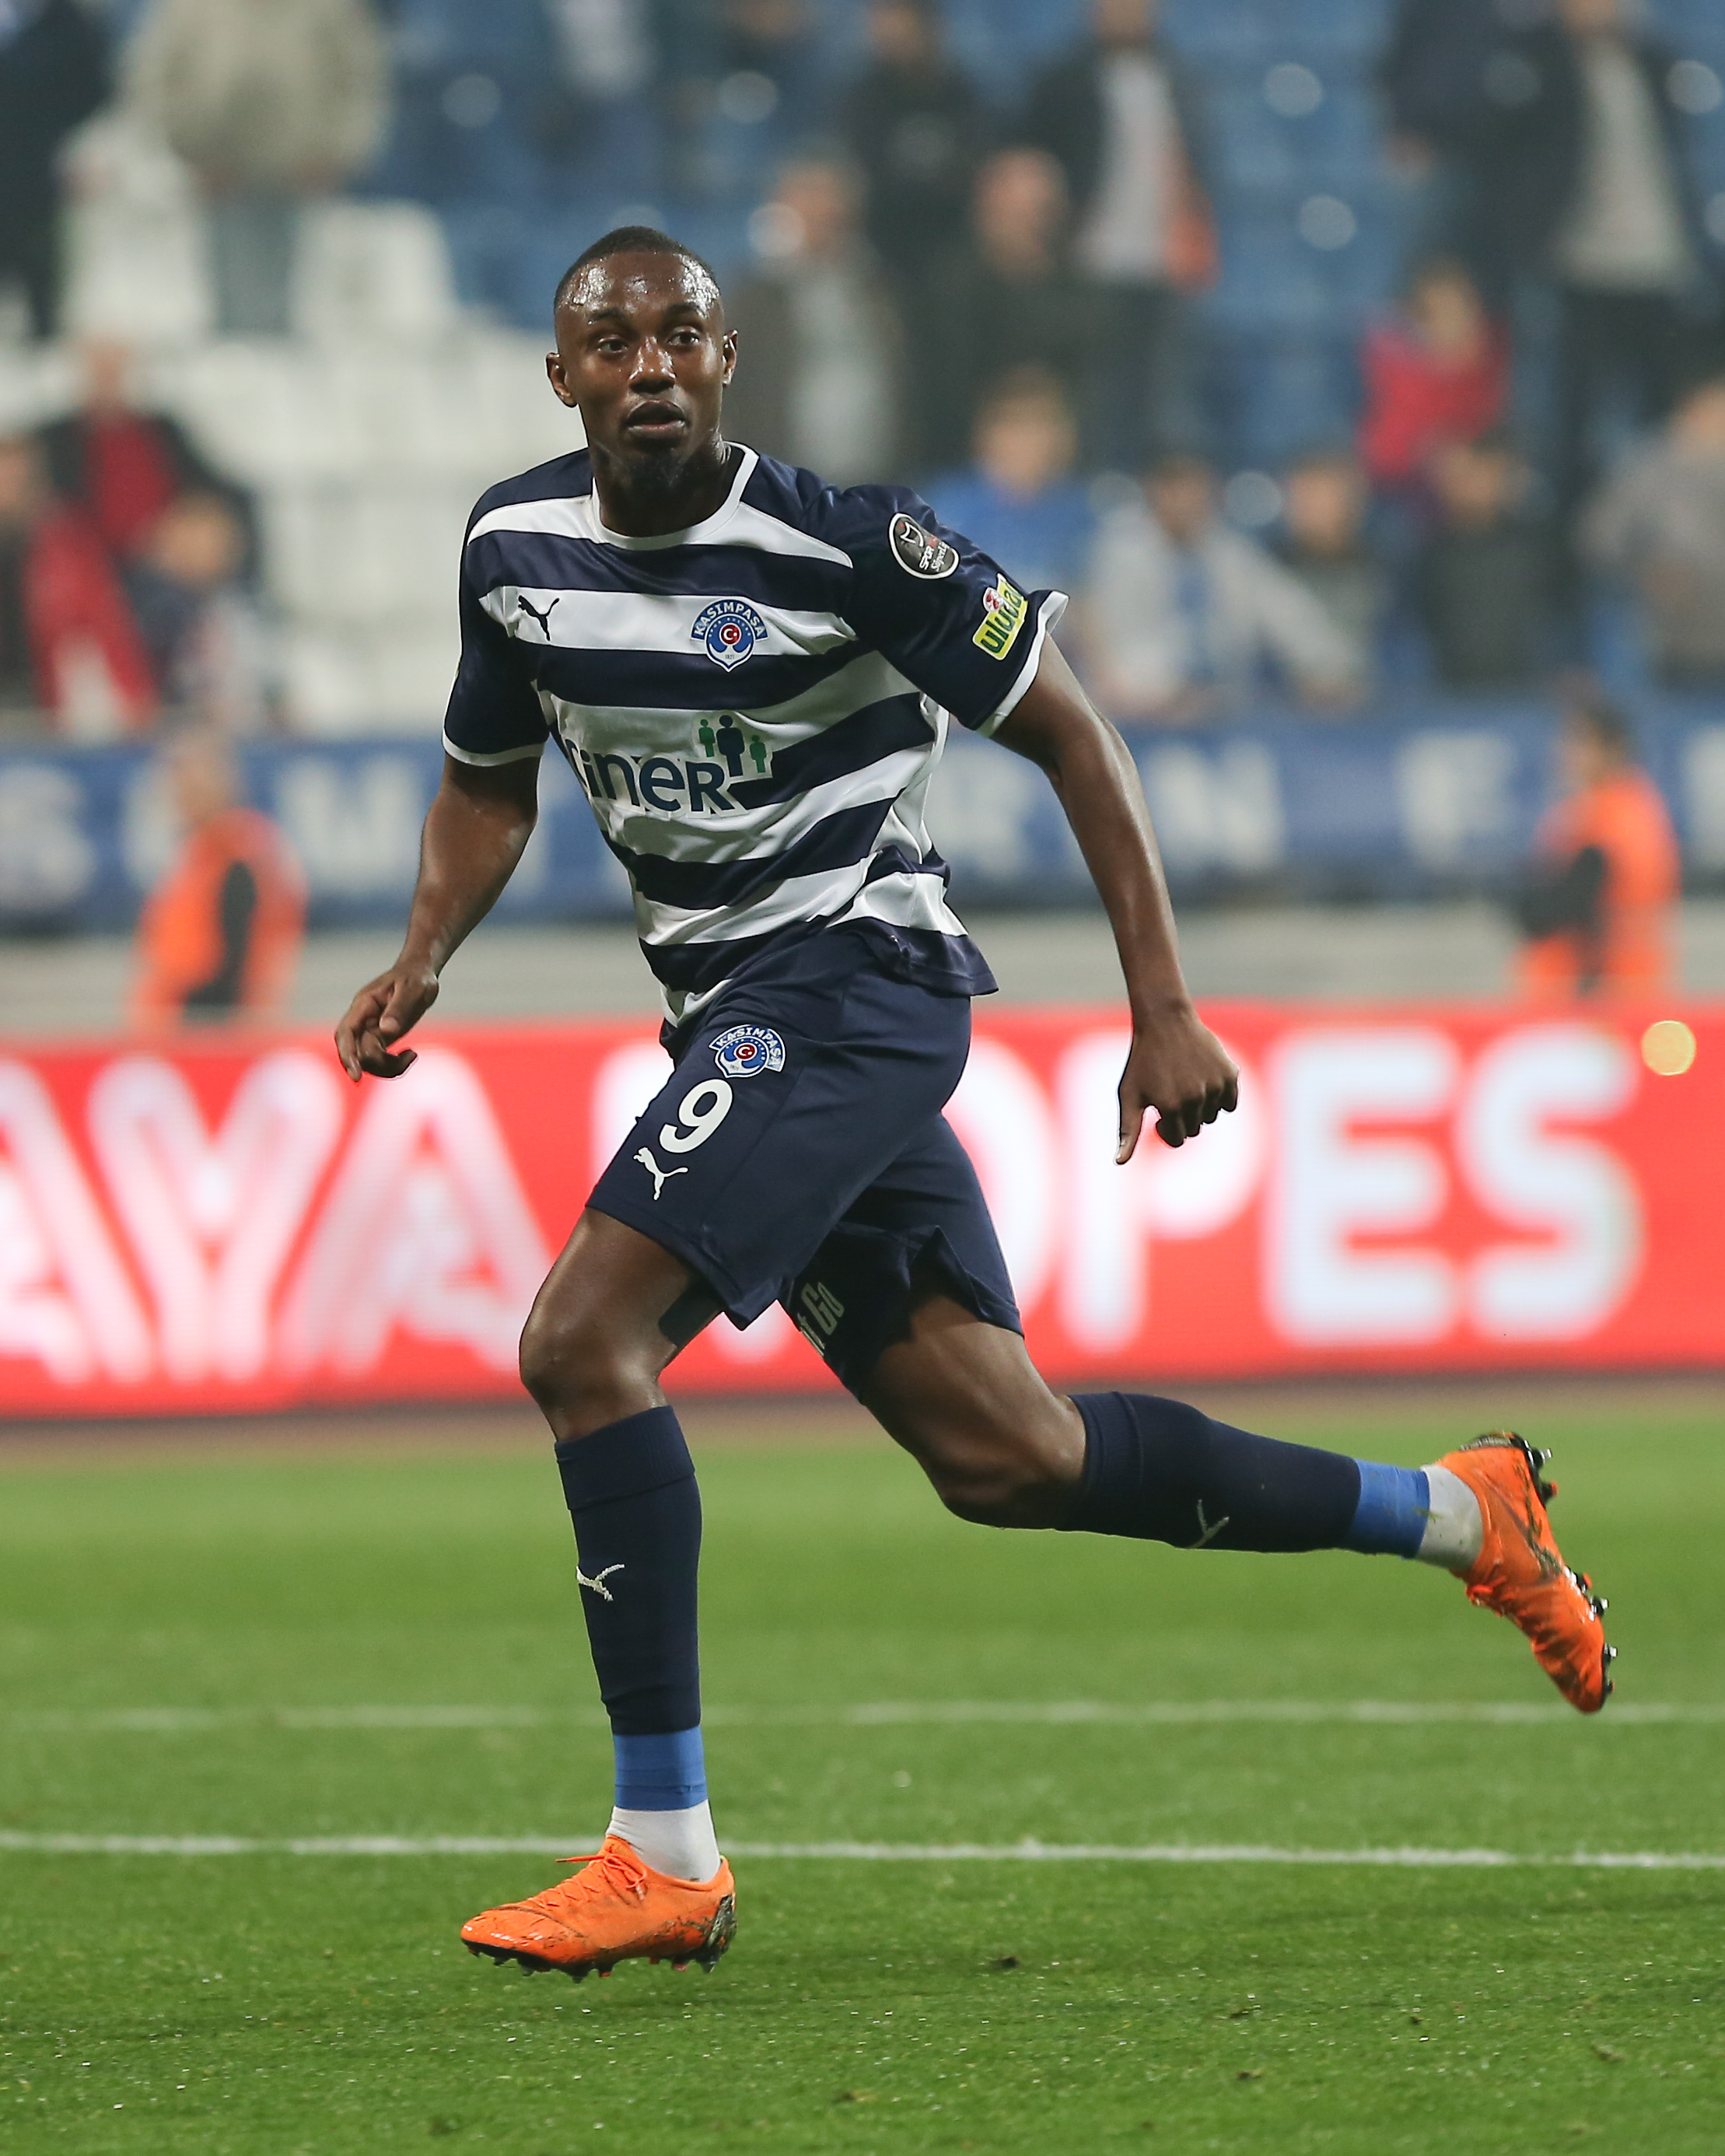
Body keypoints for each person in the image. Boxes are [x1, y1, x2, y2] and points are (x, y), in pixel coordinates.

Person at [334, 227, 1614, 1985]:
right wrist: (423, 952)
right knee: (1011, 1458)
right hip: (729, 1022)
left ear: (727, 359)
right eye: (612, 344)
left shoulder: (853, 547)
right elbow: (486, 778)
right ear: (561, 378)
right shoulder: (510, 550)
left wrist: (1160, 1006)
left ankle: (663, 1852)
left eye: (682, 336)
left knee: (580, 1342)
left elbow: (1074, 734)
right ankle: (1463, 1514)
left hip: (852, 989)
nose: (650, 368)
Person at [1473, 0, 1720, 516]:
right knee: (1573, 419)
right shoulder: (1533, 59)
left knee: (1665, 420)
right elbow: (1501, 155)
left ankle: (1666, 532)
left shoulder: (1651, 57)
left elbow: (1678, 156)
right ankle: (1573, 541)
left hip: (1659, 266)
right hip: (1580, 267)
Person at [1021, 0, 1216, 471]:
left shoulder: (1177, 77)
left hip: (1162, 263)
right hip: (1092, 261)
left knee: (1161, 400)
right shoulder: (1064, 80)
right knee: (1098, 396)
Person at [127, 0, 387, 339]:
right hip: (216, 171)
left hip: (302, 172)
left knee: (301, 303)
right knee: (223, 299)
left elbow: (359, 75)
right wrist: (184, 151)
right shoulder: (188, 8)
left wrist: (337, 152)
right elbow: (156, 75)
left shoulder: (329, 8)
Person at [1083, 451, 1361, 720]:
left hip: (1223, 713)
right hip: (1139, 715)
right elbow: (1113, 652)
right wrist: (1155, 692)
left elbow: (1291, 616)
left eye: (1194, 489)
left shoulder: (1231, 553)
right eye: (1173, 489)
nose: (1184, 501)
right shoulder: (1119, 553)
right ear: (1154, 492)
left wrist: (1329, 670)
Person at [720, 156, 905, 485]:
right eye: (808, 206)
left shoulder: (879, 286)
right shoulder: (754, 297)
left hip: (875, 476)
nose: (821, 217)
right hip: (783, 478)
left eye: (829, 206)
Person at [918, 145, 1096, 474]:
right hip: (964, 454)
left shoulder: (1076, 285)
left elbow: (1088, 369)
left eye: (1041, 209)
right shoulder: (952, 283)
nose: (1031, 221)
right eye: (1019, 208)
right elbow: (946, 379)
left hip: (1060, 451)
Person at [129, 726, 306, 1029]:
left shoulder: (237, 853)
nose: (180, 792)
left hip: (209, 1028)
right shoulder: (201, 852)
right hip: (186, 1024)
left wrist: (189, 1019)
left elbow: (238, 962)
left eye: (190, 779)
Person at [1511, 687, 1678, 999]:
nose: (1565, 752)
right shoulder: (1587, 808)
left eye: (1580, 741)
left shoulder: (1622, 816)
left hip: (1605, 992)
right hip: (1575, 990)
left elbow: (1582, 901)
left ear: (1613, 748)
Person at [36, 339, 257, 572]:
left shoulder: (162, 430)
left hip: (166, 556)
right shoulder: (56, 438)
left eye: (117, 371)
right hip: (88, 557)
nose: (109, 381)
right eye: (101, 371)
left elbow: (206, 482)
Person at [838, 0, 988, 321]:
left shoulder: (963, 95)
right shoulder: (861, 100)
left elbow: (976, 167)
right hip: (883, 245)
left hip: (955, 241)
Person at [0, 432, 154, 734]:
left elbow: (103, 620)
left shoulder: (63, 541)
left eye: (15, 473)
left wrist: (131, 694)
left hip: (39, 699)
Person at [1583, 374, 1725, 692]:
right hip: (1673, 637)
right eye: (1718, 411)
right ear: (1690, 410)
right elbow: (1599, 537)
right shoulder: (1646, 467)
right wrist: (1644, 571)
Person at [924, 368, 1094, 604]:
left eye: (1042, 423)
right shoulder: (944, 509)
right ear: (985, 433)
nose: (1028, 440)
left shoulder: (1083, 514)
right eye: (1015, 423)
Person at [0, 0, 110, 341]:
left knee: (44, 298)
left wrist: (73, 145)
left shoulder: (66, 21)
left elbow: (96, 89)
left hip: (40, 177)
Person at [1415, 428, 1555, 691]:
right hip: (1446, 695)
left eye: (1491, 476)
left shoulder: (1530, 549)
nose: (1480, 486)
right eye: (1469, 476)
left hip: (1521, 692)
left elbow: (1554, 621)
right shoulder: (1428, 555)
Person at [1358, 257, 1510, 501]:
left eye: (1461, 309)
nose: (1453, 322)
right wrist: (1429, 453)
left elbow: (1510, 430)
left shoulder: (1501, 354)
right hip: (1407, 492)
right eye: (1438, 313)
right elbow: (1380, 452)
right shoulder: (1392, 369)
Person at [124, 492, 275, 732]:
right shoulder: (145, 612)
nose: (206, 554)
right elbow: (139, 703)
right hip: (170, 737)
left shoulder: (242, 606)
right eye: (193, 543)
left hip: (248, 735)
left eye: (218, 543)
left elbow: (269, 686)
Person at [1272, 450, 1387, 695]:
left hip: (1379, 707)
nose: (1305, 508)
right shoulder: (1266, 571)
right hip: (1285, 708)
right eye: (1297, 497)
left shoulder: (1387, 569)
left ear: (1351, 501)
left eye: (1317, 495)